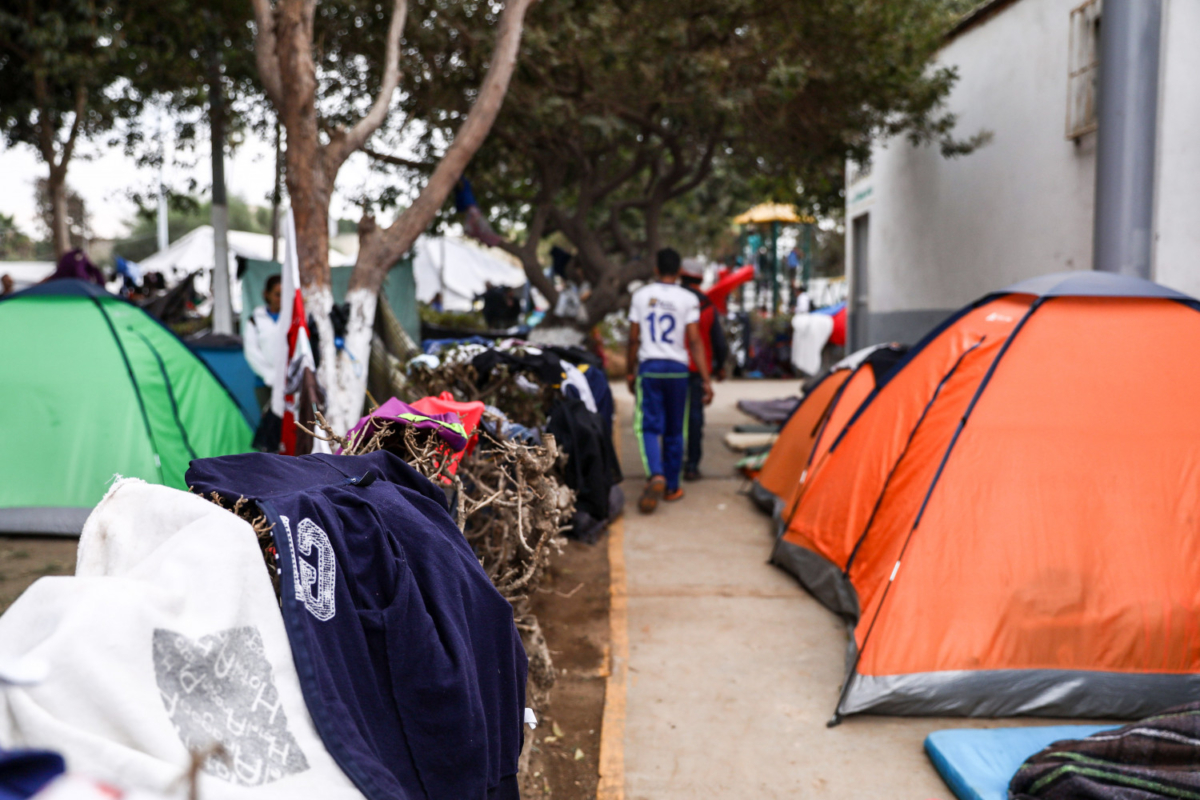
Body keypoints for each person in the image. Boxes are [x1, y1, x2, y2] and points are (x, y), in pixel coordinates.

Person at [626, 248, 713, 514]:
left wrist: (631, 370)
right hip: (678, 369)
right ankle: (672, 487)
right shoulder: (688, 299)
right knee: (677, 429)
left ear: (655, 269)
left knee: (650, 427)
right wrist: (706, 380)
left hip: (650, 368)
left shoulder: (640, 296)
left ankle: (657, 475)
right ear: (678, 272)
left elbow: (633, 338)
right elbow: (695, 341)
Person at [679, 259, 729, 481]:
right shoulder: (707, 305)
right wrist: (718, 368)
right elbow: (718, 342)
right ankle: (692, 465)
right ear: (700, 278)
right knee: (695, 419)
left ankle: (671, 463)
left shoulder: (673, 300)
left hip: (674, 367)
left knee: (674, 419)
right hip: (698, 370)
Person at [244, 274, 283, 413]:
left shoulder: (293, 318)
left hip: (289, 382)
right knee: (269, 423)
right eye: (277, 294)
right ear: (266, 294)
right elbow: (251, 351)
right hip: (263, 383)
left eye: (285, 294)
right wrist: (269, 375)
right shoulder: (255, 319)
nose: (281, 299)